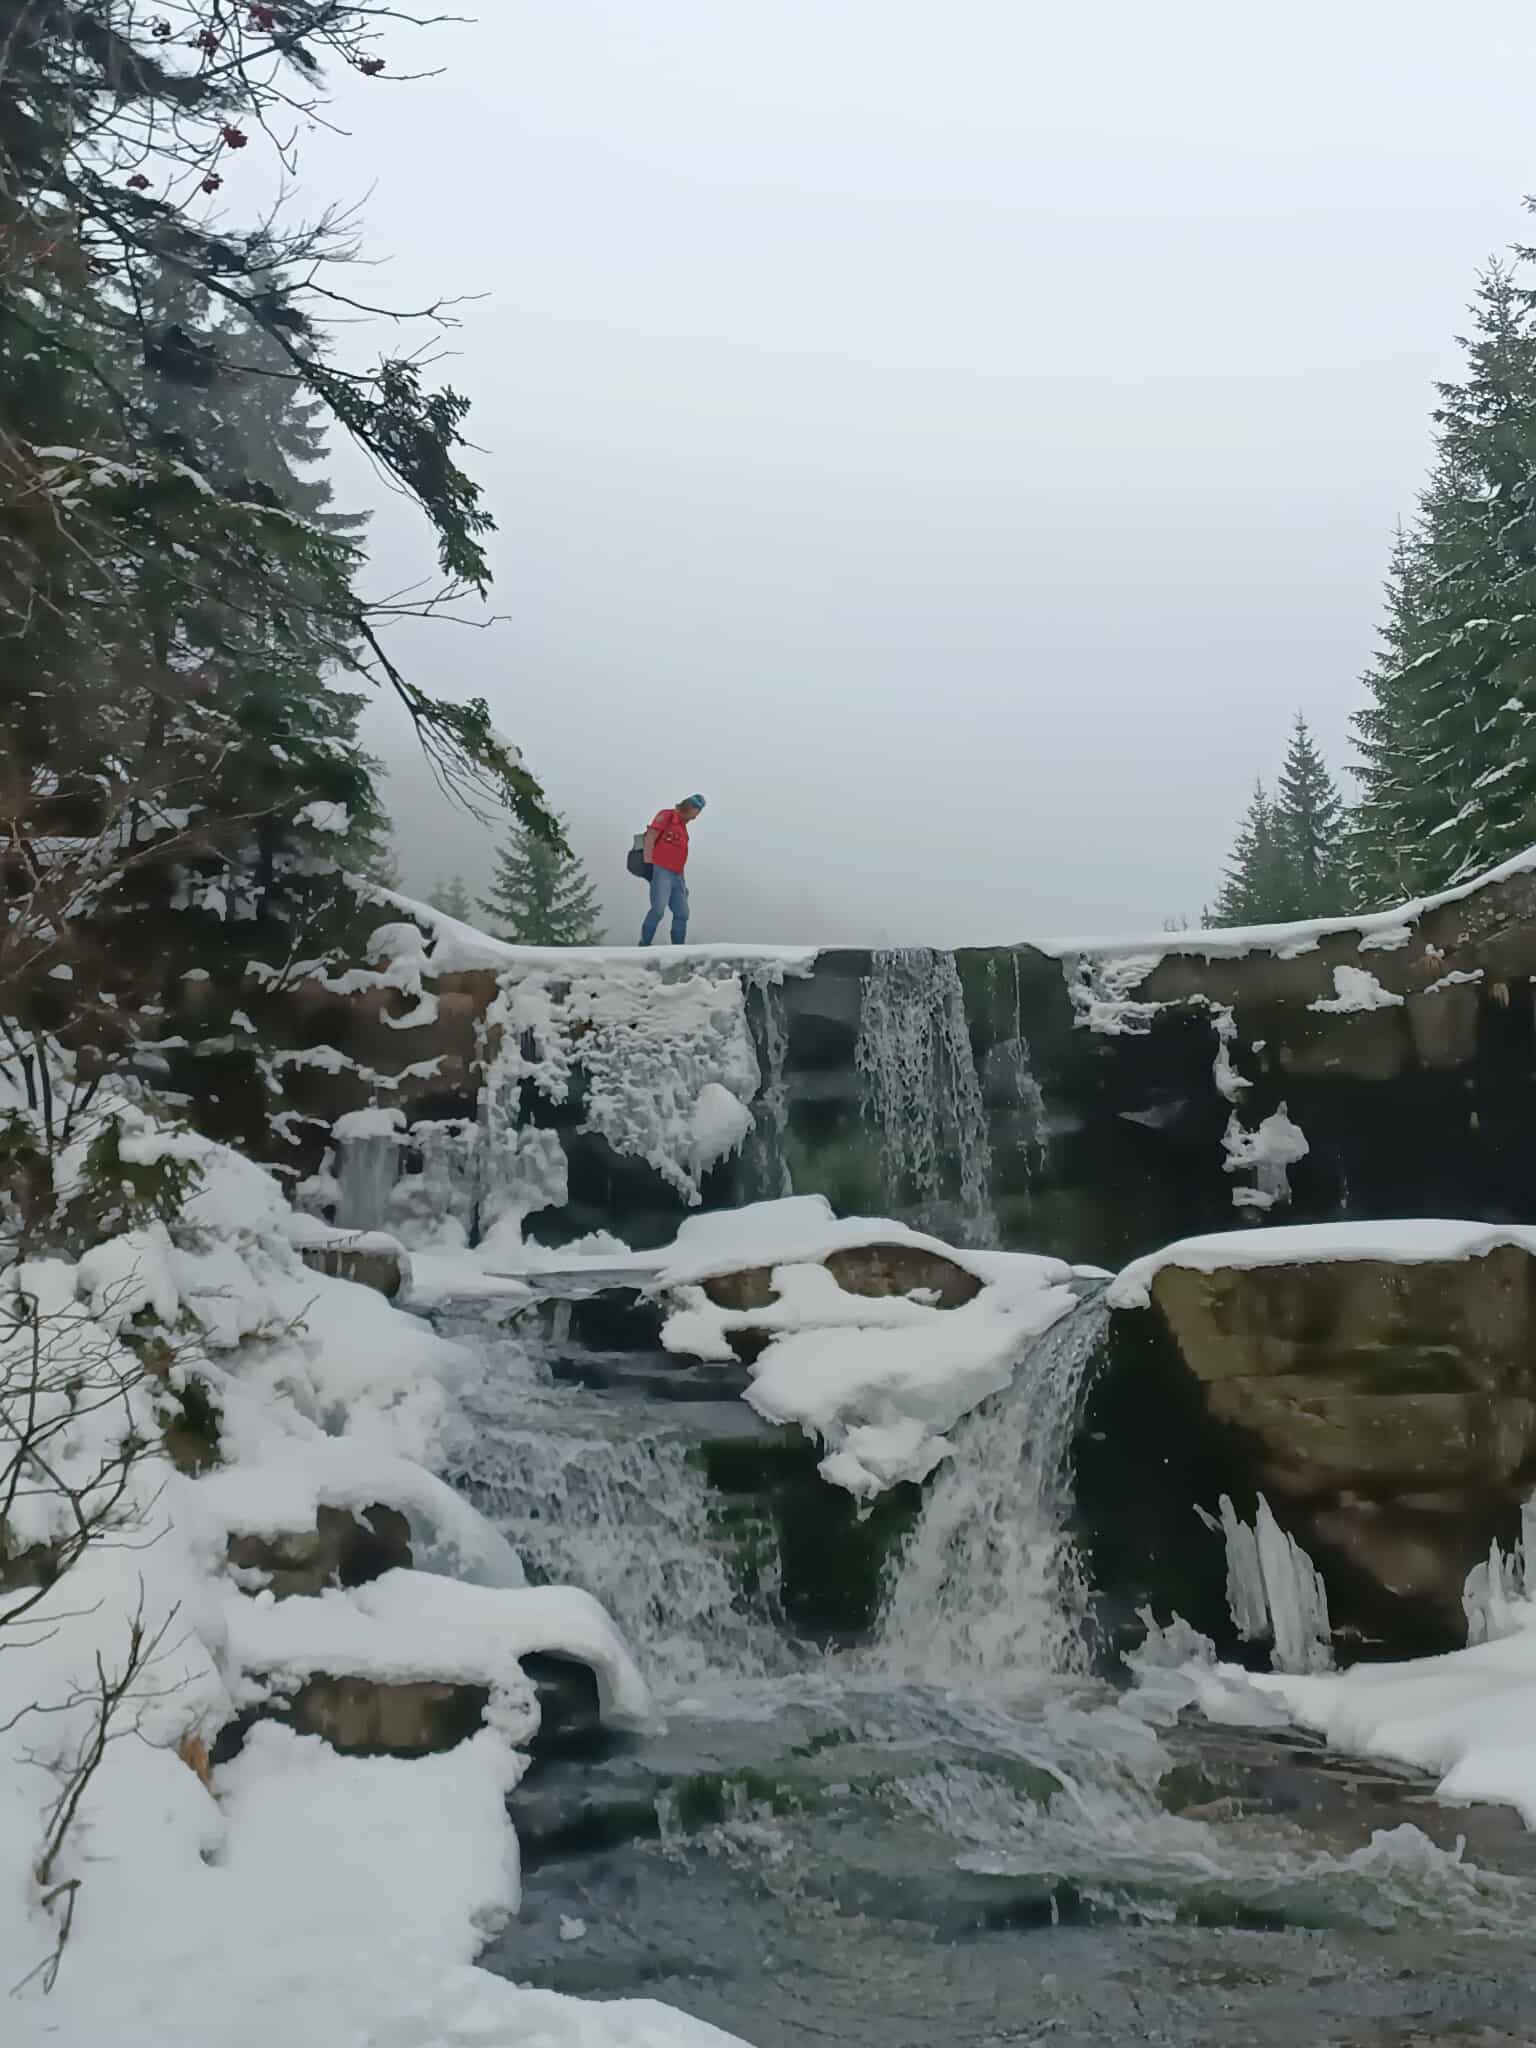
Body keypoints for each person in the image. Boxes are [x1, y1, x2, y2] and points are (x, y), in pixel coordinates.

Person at [640, 795, 705, 945]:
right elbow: (650, 837)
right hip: (661, 870)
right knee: (658, 909)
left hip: (677, 875)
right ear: (689, 807)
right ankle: (644, 944)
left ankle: (678, 948)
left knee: (682, 913)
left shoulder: (683, 829)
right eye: (696, 811)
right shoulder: (667, 815)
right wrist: (648, 863)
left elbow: (679, 857)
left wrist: (683, 884)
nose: (696, 817)